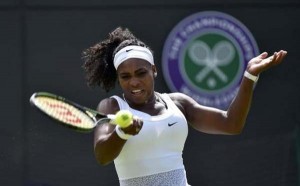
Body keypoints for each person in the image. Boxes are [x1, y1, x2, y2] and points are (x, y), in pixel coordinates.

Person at [82, 27, 287, 186]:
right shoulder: (112, 106)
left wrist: (250, 76)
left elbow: (231, 124)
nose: (134, 82)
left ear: (153, 70)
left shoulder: (178, 103)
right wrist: (123, 132)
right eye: (125, 77)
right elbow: (102, 155)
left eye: (141, 73)